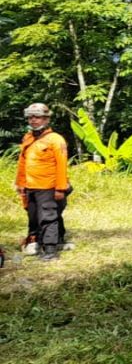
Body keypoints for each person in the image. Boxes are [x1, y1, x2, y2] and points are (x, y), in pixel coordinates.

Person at [15, 103, 71, 262]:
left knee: (48, 217)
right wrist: (20, 184)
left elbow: (62, 166)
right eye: (31, 117)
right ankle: (41, 241)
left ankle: (51, 251)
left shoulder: (55, 139)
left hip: (48, 186)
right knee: (33, 217)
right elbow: (22, 163)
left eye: (37, 117)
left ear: (46, 119)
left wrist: (60, 189)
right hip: (30, 186)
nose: (33, 120)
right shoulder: (28, 137)